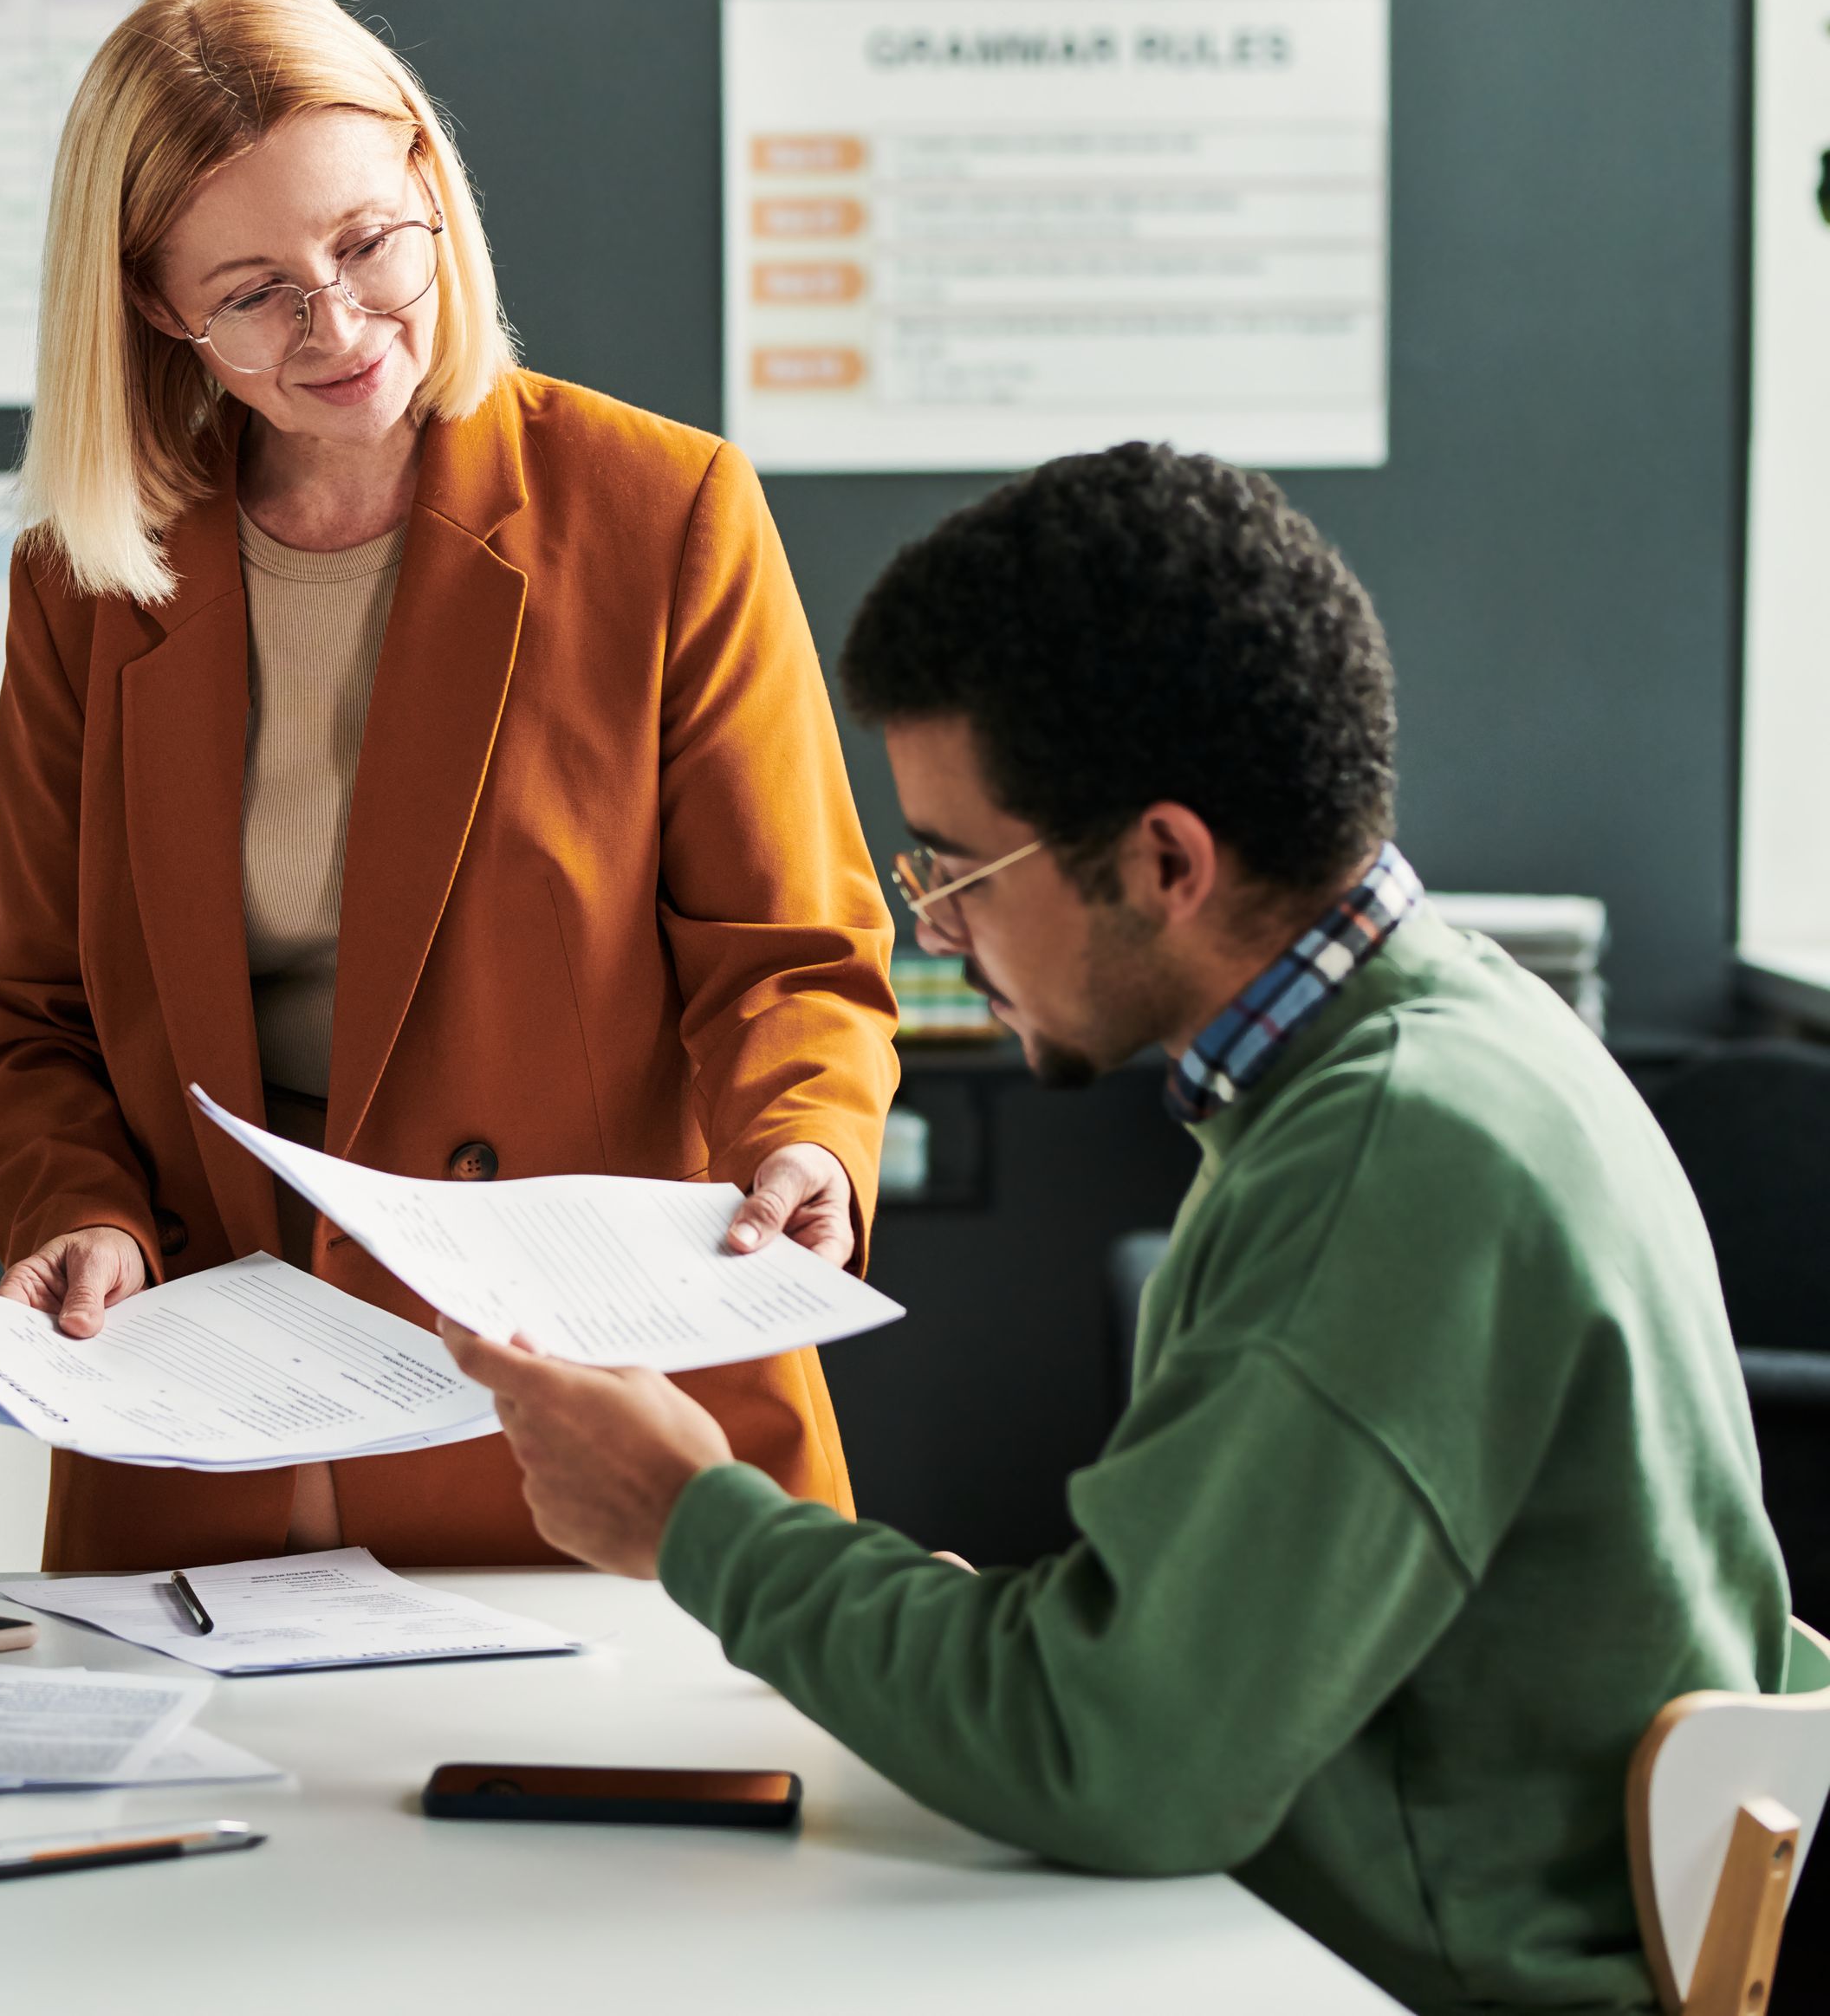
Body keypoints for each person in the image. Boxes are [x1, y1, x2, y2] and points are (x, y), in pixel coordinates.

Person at [443, 444, 1788, 2014]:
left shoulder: (1387, 1154)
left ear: (1165, 862)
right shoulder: (1456, 1035)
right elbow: (1167, 1669)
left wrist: (691, 1517)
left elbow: (1119, 1758)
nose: (931, 927)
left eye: (954, 868)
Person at [0, 0, 898, 1570]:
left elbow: (791, 951)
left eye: (367, 242)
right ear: (153, 307)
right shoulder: (91, 577)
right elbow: (40, 1020)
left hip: (588, 1401)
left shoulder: (662, 510)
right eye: (250, 291)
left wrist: (804, 1136)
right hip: (218, 1413)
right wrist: (79, 1212)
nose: (335, 326)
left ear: (427, 179)